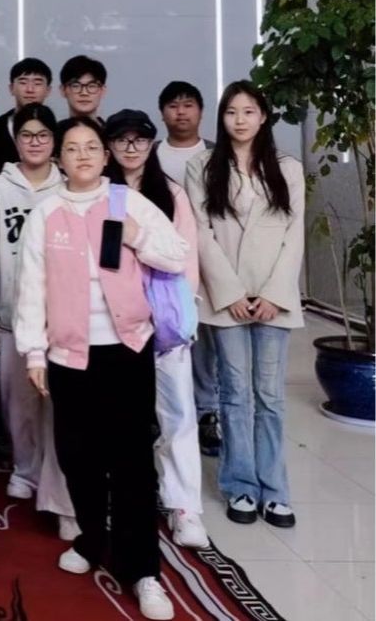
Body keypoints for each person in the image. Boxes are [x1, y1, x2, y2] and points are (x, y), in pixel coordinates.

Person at [15, 116, 187, 621]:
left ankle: (143, 570)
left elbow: (176, 256)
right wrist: (33, 352)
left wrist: (137, 236)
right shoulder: (46, 213)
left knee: (132, 462)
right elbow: (31, 288)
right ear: (59, 158)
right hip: (69, 356)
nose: (83, 155)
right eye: (73, 148)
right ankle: (92, 538)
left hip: (127, 350)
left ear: (105, 155)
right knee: (78, 458)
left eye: (92, 146)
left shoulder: (128, 202)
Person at [185, 81, 304, 530]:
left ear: (264, 117)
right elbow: (201, 234)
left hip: (275, 299)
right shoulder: (202, 167)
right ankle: (240, 486)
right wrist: (231, 293)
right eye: (232, 111)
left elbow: (294, 235)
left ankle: (275, 491)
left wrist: (273, 293)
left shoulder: (287, 169)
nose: (240, 119)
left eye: (249, 111)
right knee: (234, 394)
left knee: (269, 396)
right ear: (222, 118)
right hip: (226, 300)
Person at [105, 109, 209, 549]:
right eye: (121, 139)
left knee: (178, 414)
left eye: (140, 139)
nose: (131, 148)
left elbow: (186, 260)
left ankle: (184, 506)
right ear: (109, 146)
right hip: (114, 323)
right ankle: (117, 496)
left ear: (152, 144)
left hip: (165, 323)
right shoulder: (100, 194)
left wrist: (182, 317)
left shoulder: (171, 194)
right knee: (118, 417)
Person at [0, 104, 78, 541]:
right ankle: (25, 468)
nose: (35, 142)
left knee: (58, 408)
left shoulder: (69, 188)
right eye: (27, 135)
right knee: (17, 404)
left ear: (54, 141)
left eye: (43, 135)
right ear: (15, 140)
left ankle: (56, 482)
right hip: (10, 315)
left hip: (62, 322)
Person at [155, 81, 219, 455]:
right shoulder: (152, 154)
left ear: (200, 111)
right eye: (173, 105)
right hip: (162, 263)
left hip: (208, 260)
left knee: (205, 339)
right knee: (166, 337)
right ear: (162, 112)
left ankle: (207, 411)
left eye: (188, 104)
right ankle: (162, 413)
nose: (181, 112)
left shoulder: (217, 154)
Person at [0, 58, 53, 175]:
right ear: (11, 89)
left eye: (37, 83)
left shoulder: (59, 134)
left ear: (48, 90)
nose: (30, 89)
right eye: (23, 83)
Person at [58, 55, 107, 121]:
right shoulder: (49, 128)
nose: (84, 93)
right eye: (76, 86)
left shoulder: (114, 127)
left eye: (92, 86)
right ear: (63, 90)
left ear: (103, 91)